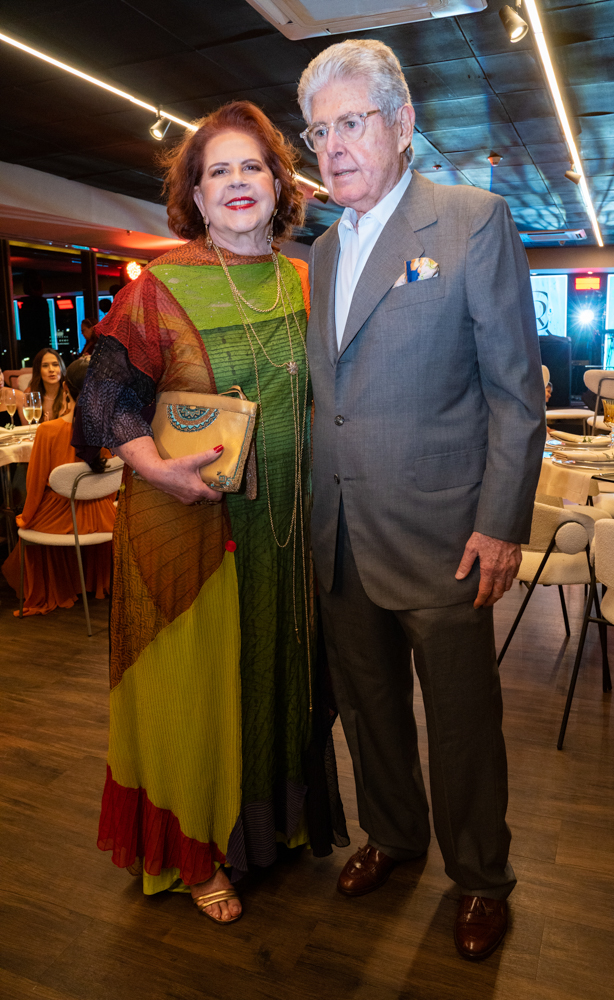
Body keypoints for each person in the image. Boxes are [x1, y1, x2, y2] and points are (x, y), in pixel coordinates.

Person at [298, 40, 546, 961]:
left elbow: (514, 394)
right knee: (370, 713)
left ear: (401, 125)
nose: (332, 147)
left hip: (445, 536)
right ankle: (393, 836)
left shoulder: (472, 220)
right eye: (317, 131)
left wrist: (499, 524)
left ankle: (480, 878)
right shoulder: (323, 249)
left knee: (463, 724)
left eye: (351, 122)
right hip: (340, 534)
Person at [75, 100, 347, 926]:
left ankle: (268, 830)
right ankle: (196, 853)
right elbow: (105, 399)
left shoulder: (304, 279)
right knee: (200, 689)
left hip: (289, 534)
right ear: (195, 195)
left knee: (273, 677)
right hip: (192, 527)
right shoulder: (162, 287)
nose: (236, 182)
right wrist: (158, 469)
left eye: (251, 167)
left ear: (279, 186)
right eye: (216, 170)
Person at [2, 357, 115, 615]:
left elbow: (35, 484)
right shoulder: (109, 428)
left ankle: (63, 584)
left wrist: (27, 517)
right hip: (102, 515)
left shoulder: (47, 431)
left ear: (66, 387)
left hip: (62, 517)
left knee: (27, 526)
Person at [29, 348, 72, 423]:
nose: (51, 369)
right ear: (38, 370)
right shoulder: (31, 394)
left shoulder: (70, 393)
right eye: (45, 366)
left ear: (61, 367)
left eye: (55, 365)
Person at [18, 273, 51, 363]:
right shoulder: (41, 303)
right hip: (40, 343)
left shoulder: (25, 304)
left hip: (29, 344)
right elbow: (44, 327)